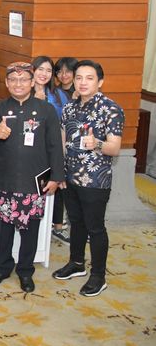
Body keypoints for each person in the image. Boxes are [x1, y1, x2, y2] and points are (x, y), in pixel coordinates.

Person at [0, 62, 64, 293]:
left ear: (32, 82)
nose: (18, 84)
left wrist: (56, 176)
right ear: (7, 83)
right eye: (13, 80)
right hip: (6, 180)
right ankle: (1, 268)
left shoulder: (46, 110)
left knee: (31, 231)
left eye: (23, 80)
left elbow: (55, 146)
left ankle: (26, 271)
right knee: (5, 229)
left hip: (34, 181)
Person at [53, 60, 123, 297]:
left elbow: (115, 148)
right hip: (71, 177)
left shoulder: (111, 108)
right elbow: (62, 141)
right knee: (76, 222)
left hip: (95, 180)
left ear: (100, 82)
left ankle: (98, 276)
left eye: (89, 78)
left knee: (95, 228)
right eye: (79, 77)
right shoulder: (70, 107)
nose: (82, 82)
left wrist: (98, 143)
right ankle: (77, 264)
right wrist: (59, 172)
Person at [32, 55, 70, 242]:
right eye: (40, 69)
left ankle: (52, 228)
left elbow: (64, 125)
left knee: (52, 187)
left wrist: (61, 153)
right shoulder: (23, 89)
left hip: (51, 148)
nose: (44, 74)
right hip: (30, 150)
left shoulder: (58, 95)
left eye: (48, 70)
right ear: (33, 70)